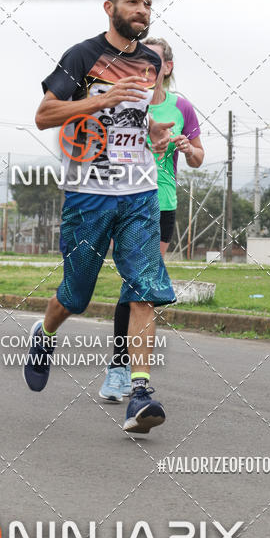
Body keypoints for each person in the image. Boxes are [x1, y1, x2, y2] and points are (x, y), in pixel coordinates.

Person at [22, 0, 176, 434]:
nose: (142, 9)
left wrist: (155, 137)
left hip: (140, 191)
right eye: (133, 2)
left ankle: (141, 393)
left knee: (145, 286)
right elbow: (44, 114)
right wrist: (100, 98)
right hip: (88, 192)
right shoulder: (82, 57)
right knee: (77, 293)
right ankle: (44, 334)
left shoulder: (150, 62)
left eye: (148, 3)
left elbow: (136, 118)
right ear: (109, 7)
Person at [99, 37, 204, 403]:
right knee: (137, 282)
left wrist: (189, 149)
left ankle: (126, 369)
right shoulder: (125, 103)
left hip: (164, 203)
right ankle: (120, 370)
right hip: (126, 200)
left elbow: (198, 157)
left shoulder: (182, 108)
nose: (146, 67)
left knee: (142, 286)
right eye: (140, 61)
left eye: (154, 61)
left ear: (167, 68)